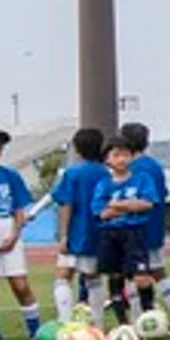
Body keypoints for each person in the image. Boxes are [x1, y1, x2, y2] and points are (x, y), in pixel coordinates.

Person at [91, 138, 159, 326]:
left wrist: (119, 205)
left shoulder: (142, 179)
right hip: (110, 235)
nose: (122, 159)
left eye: (126, 154)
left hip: (134, 233)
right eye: (116, 155)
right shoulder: (103, 185)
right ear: (107, 160)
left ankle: (149, 318)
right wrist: (131, 206)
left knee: (142, 278)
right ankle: (123, 322)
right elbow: (102, 213)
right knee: (115, 277)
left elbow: (147, 204)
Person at [0, 125, 42, 340]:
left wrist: (14, 234)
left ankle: (36, 336)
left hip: (8, 232)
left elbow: (19, 209)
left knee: (20, 285)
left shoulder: (9, 175)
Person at [121, 122, 170, 316]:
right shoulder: (154, 166)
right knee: (158, 270)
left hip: (137, 227)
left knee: (134, 273)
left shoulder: (133, 168)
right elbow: (162, 193)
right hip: (155, 226)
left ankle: (139, 316)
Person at [49, 128, 107, 322]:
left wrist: (63, 234)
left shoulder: (73, 172)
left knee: (63, 276)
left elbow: (66, 204)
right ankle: (97, 324)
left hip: (76, 231)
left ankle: (65, 323)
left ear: (77, 149)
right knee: (94, 278)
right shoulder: (104, 172)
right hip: (98, 231)